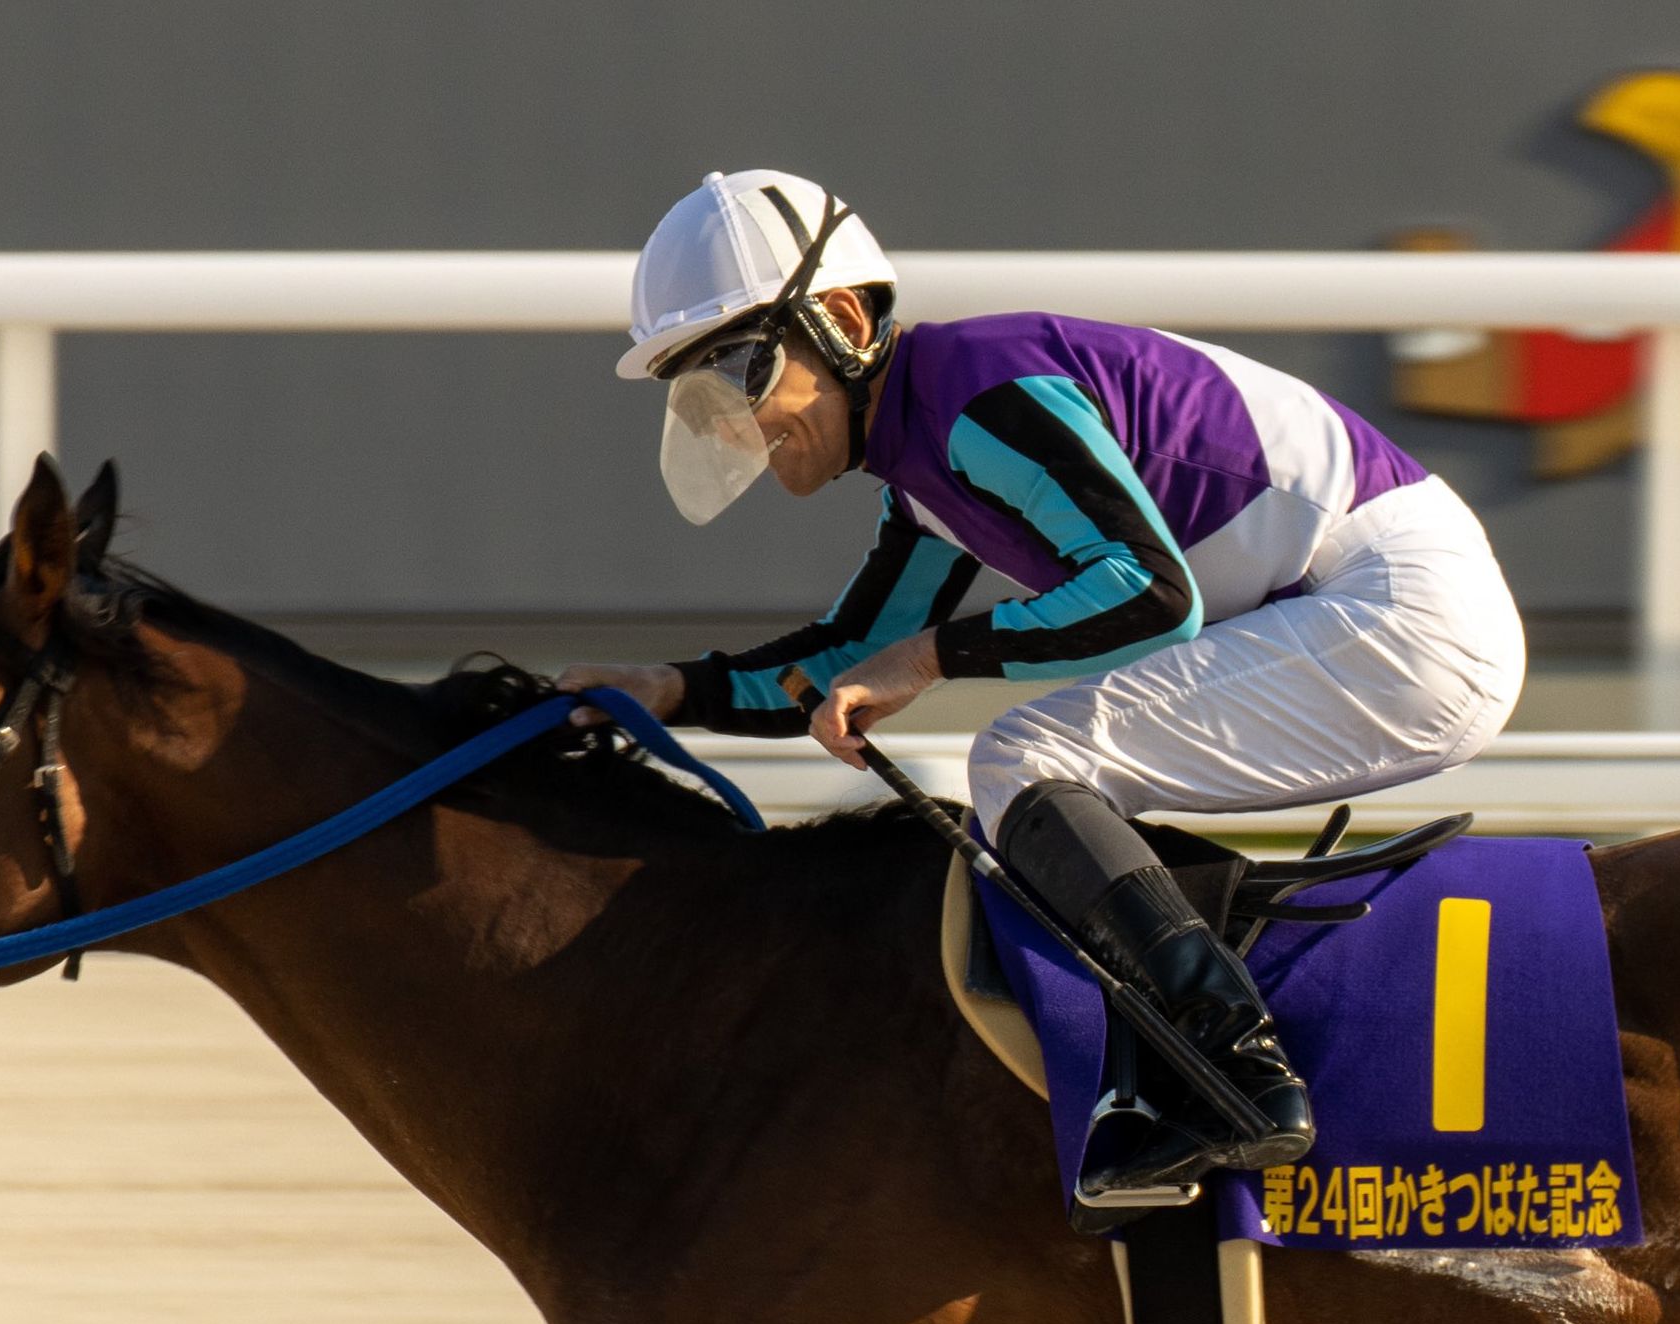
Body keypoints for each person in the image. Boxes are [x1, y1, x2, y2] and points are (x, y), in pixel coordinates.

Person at [559, 171, 1528, 1200]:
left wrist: (932, 657)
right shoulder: (928, 469)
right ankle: (1196, 1051)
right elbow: (845, 655)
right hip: (1366, 614)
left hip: (1401, 615)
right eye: (697, 392)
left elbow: (1151, 596)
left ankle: (1229, 1072)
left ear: (841, 320)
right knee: (1046, 767)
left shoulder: (983, 390)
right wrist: (666, 688)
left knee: (1025, 756)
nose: (729, 421)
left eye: (742, 372)